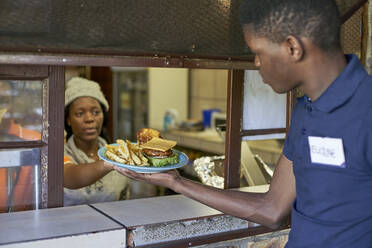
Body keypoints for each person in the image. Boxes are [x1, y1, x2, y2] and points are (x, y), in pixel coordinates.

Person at [114, 0, 372, 247]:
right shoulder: (306, 111)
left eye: (258, 52)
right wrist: (176, 182)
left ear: (293, 47)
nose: (256, 63)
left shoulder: (366, 109)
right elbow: (272, 209)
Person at [64, 77, 130, 206]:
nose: (89, 119)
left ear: (103, 116)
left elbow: (124, 202)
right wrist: (112, 161)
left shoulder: (117, 152)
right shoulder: (60, 155)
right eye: (80, 113)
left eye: (95, 112)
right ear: (68, 120)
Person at [0, 81, 41, 212]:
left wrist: (104, 163)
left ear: (13, 106)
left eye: (3, 101)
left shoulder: (34, 141)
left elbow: (65, 172)